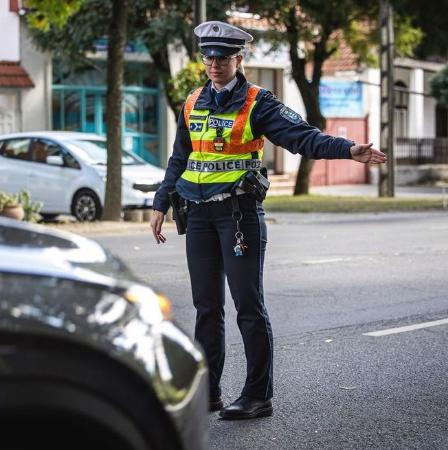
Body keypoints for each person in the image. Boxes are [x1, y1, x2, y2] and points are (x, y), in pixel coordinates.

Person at [150, 20, 386, 420]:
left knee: (248, 307)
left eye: (222, 58)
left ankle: (258, 395)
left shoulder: (258, 102)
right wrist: (160, 202)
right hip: (199, 215)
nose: (214, 65)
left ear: (239, 59)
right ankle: (208, 392)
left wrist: (348, 149)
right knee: (206, 308)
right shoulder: (192, 102)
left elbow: (302, 137)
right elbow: (180, 158)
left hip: (238, 215)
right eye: (208, 57)